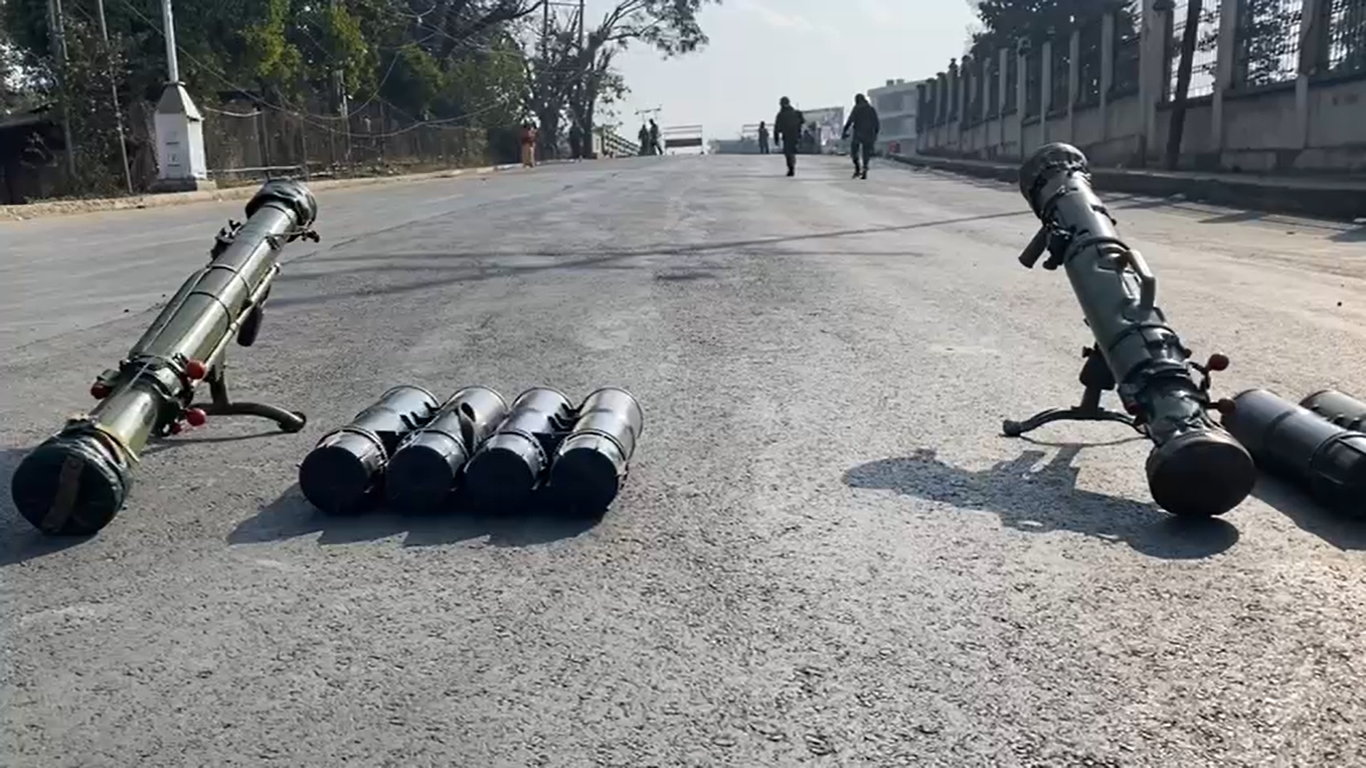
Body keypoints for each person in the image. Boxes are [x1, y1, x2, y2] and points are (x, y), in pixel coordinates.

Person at [842, 93, 881, 179]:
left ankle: (857, 168)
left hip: (858, 133)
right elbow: (876, 123)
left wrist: (844, 131)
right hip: (869, 134)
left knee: (854, 152)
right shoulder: (871, 109)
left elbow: (850, 120)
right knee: (866, 153)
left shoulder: (856, 109)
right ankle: (865, 169)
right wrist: (875, 134)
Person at [773, 97, 804, 177]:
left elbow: (776, 128)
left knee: (788, 152)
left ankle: (791, 167)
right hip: (795, 135)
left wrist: (776, 139)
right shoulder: (796, 113)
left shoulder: (781, 115)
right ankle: (792, 166)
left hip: (787, 135)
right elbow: (802, 122)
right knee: (792, 152)